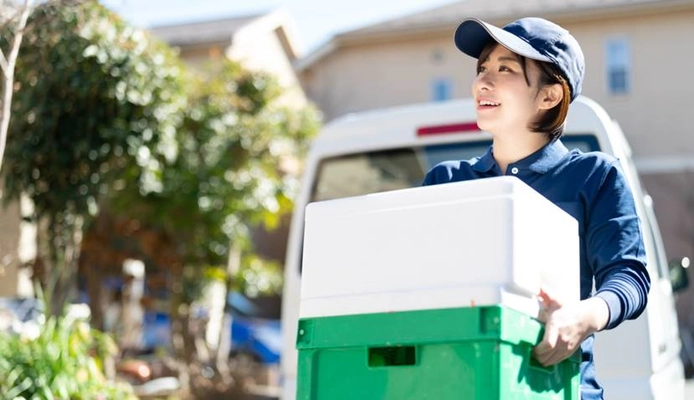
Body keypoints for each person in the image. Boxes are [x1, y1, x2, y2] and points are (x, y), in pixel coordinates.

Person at [422, 17, 651, 399]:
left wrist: (583, 317)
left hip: (556, 386)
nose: (483, 81)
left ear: (550, 96)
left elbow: (629, 278)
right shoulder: (444, 181)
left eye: (505, 68)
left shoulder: (594, 176)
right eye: (482, 68)